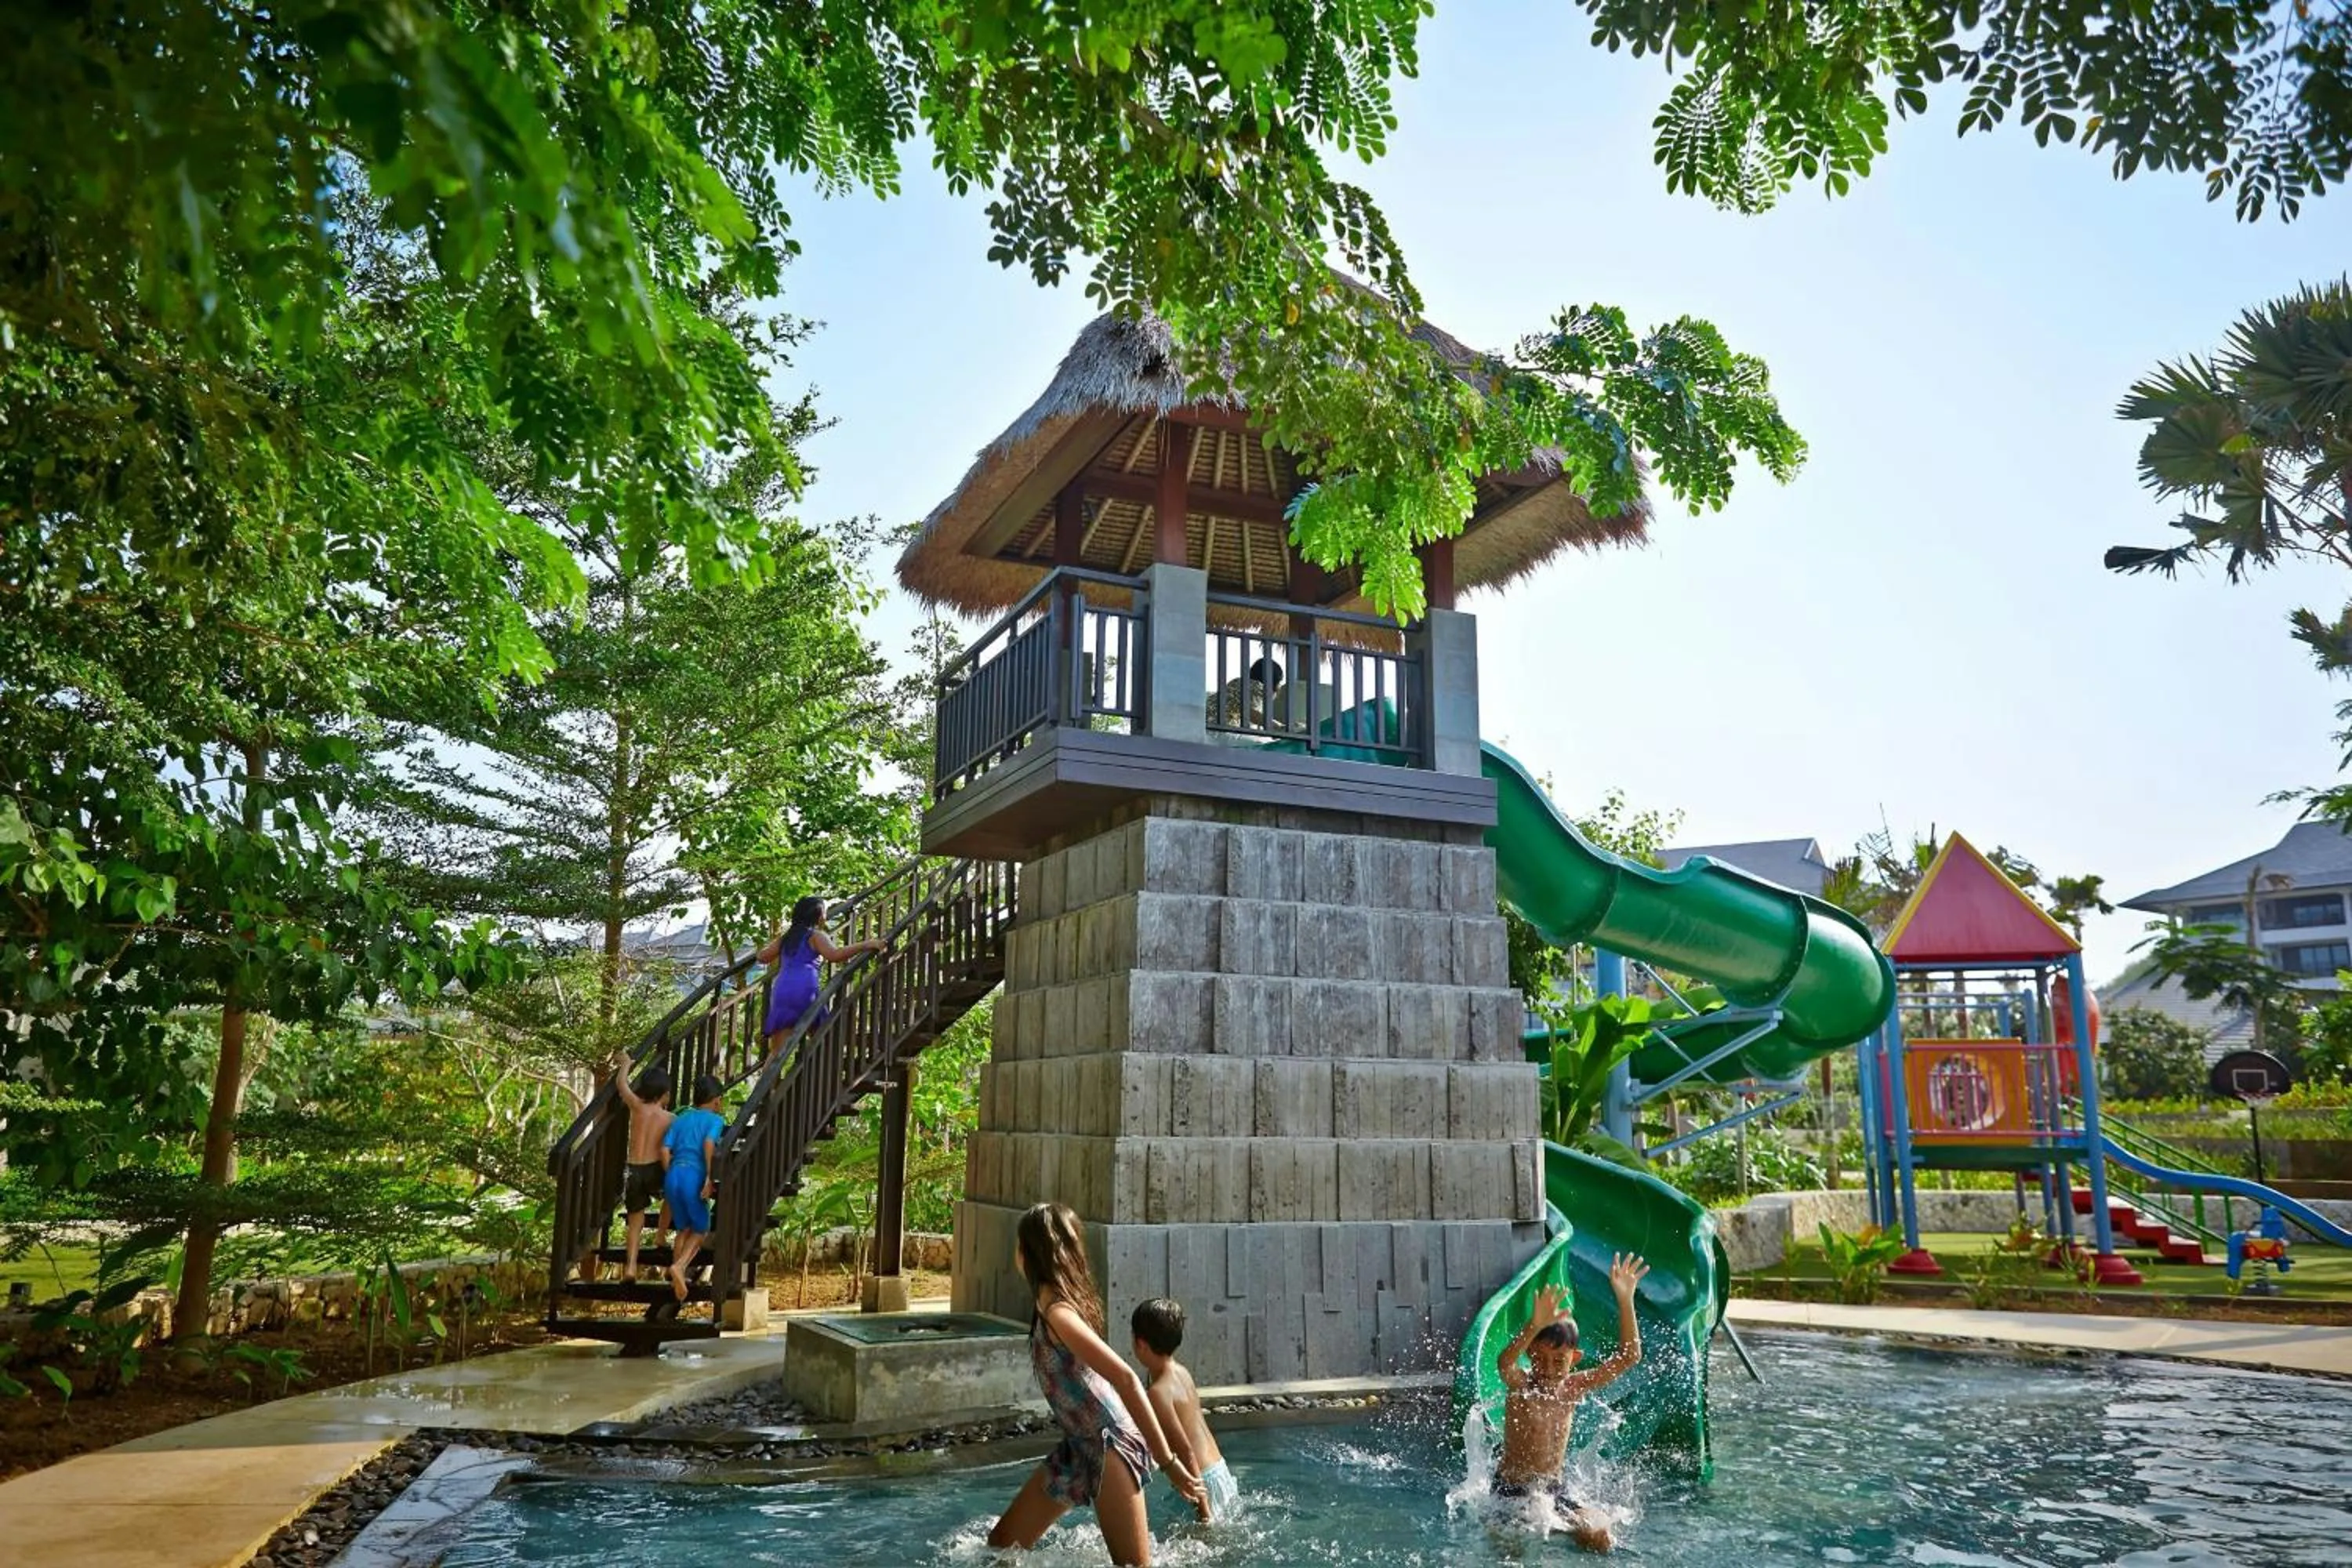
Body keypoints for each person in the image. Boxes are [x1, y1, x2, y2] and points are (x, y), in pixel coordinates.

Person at [989, 1203, 1207, 1565]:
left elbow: (1124, 1378)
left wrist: (1169, 1463)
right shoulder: (1049, 1305)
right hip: (1079, 1445)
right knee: (1002, 1545)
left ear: (1027, 1252)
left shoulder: (1059, 1312)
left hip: (1111, 1445)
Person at [1490, 1254, 1650, 1552]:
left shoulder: (1574, 1387)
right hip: (1512, 1492)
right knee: (1511, 1550)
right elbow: (1504, 1364)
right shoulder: (1522, 1384)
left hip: (1553, 1491)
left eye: (1559, 1360)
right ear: (1530, 1354)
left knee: (1600, 1537)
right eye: (1539, 1359)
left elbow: (1629, 1356)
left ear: (1574, 1359)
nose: (1548, 1369)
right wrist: (1533, 1325)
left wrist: (1625, 1299)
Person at [1131, 1298, 1232, 1523]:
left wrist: (1203, 1512)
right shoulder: (1182, 1372)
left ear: (1141, 1344)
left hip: (1200, 1482)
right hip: (1219, 1471)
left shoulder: (1158, 1393)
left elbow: (1185, 1452)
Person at [757, 895, 888, 1065]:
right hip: (805, 988)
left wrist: (761, 950)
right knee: (822, 1039)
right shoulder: (816, 936)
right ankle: (819, 1077)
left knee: (777, 1052)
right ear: (819, 916)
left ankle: (769, 1091)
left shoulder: (787, 938)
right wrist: (866, 944)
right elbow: (835, 955)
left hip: (782, 989)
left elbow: (762, 957)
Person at [660, 1074, 727, 1303]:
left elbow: (664, 1150)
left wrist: (671, 1172)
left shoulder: (681, 1119)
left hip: (673, 1175)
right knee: (700, 1231)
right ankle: (679, 1268)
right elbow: (709, 1144)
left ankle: (676, 1285)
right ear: (717, 1101)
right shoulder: (716, 1121)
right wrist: (709, 1177)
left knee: (683, 1229)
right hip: (693, 1176)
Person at [608, 1057, 674, 1283]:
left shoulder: (636, 1107)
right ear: (665, 1093)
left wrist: (626, 1063)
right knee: (672, 1195)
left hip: (633, 1170)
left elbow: (621, 1084)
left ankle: (631, 1267)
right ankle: (660, 1236)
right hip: (655, 1169)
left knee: (635, 1222)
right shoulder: (670, 1118)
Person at [1207, 655, 1285, 732]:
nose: (1279, 687)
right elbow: (1251, 714)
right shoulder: (1258, 687)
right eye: (1279, 683)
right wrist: (1278, 727)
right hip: (1213, 730)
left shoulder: (1238, 682)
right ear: (1274, 681)